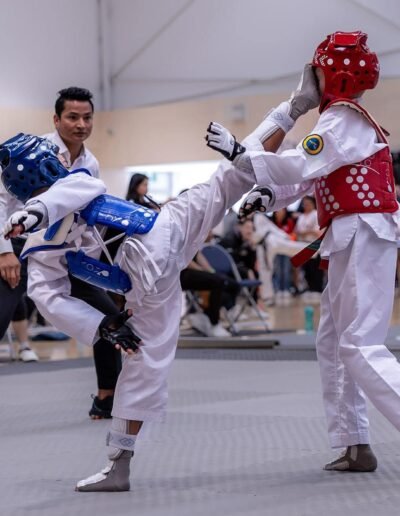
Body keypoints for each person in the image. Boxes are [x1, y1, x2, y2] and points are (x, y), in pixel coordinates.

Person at [0, 66, 318, 492]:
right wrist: (103, 325)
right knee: (144, 363)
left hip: (164, 228)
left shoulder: (77, 177)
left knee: (231, 174)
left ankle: (296, 104)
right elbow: (47, 294)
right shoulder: (41, 239)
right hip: (147, 274)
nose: (58, 153)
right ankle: (119, 464)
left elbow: (72, 194)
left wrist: (36, 212)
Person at [207, 31, 400, 473]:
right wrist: (268, 196)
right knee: (333, 342)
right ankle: (355, 442)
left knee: (359, 344)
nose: (307, 83)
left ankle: (357, 441)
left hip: (364, 233)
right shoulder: (339, 120)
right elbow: (307, 175)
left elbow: (301, 163)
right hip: (351, 235)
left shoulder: (343, 119)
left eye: (313, 71)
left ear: (327, 73)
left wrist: (242, 155)